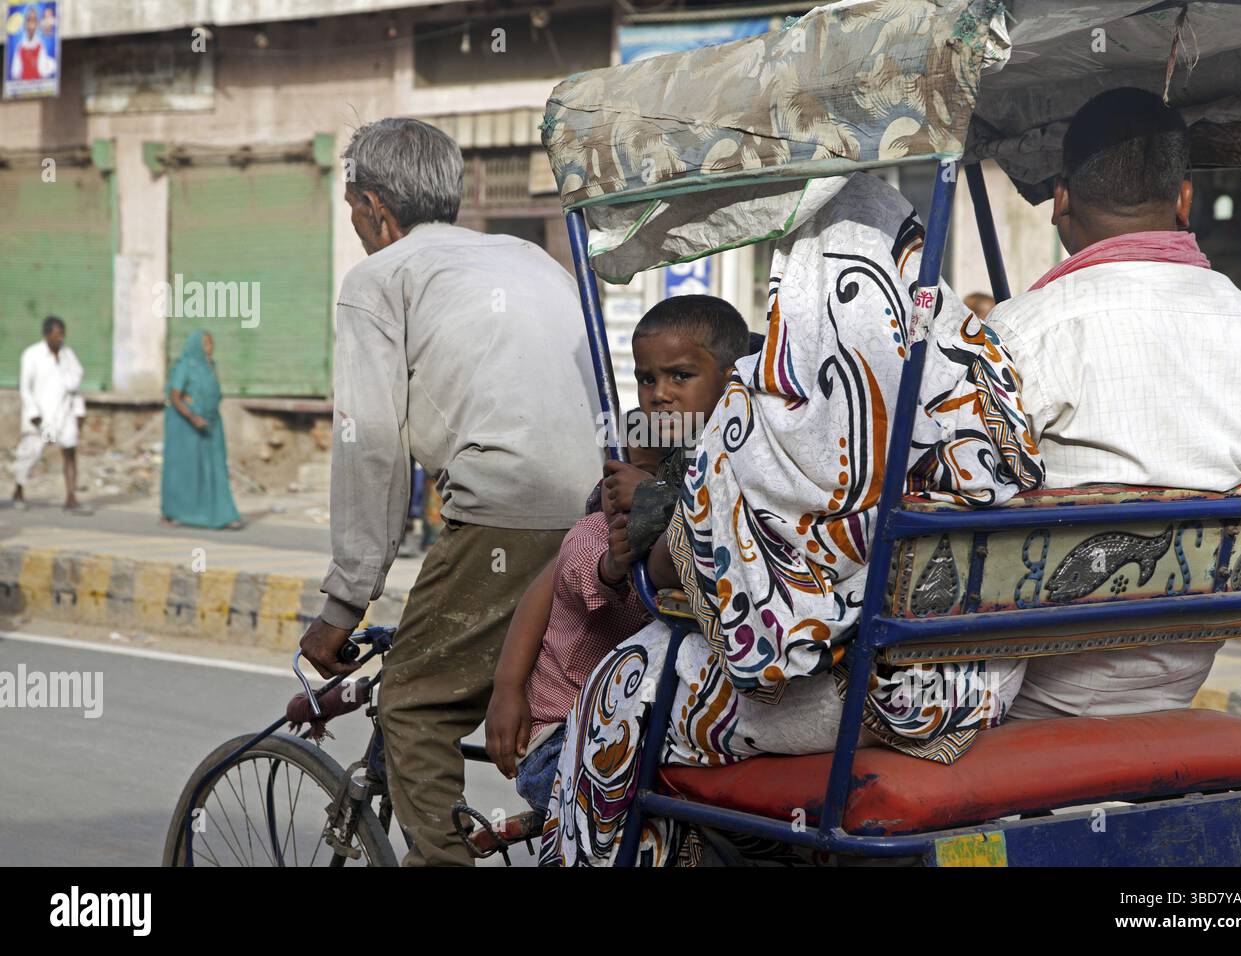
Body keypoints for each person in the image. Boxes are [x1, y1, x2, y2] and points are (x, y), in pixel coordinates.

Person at [540, 172, 1045, 866]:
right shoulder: (970, 377)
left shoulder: (777, 418)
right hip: (979, 683)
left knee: (622, 684)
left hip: (856, 694)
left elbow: (676, 573)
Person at [296, 117, 602, 867]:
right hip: (597, 519)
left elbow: (369, 448)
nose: (357, 226)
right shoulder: (530, 259)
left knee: (413, 702)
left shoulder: (379, 278)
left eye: (350, 210)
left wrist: (343, 603)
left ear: (373, 207)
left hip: (506, 513)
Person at [982, 88, 1241, 720]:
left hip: (1032, 690)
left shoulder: (1019, 333)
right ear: (1184, 199)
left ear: (1061, 199)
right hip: (1186, 669)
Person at [486, 294, 749, 814]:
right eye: (648, 380)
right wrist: (506, 689)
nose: (660, 397)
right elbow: (575, 571)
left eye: (679, 377)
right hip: (567, 737)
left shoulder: (734, 462)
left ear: (730, 381)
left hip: (636, 718)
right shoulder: (601, 527)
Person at [160, 330, 241, 530]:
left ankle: (223, 514)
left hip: (211, 424)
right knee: (184, 470)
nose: (210, 349)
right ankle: (176, 512)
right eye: (206, 344)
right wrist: (192, 417)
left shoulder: (210, 367)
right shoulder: (185, 366)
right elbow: (175, 396)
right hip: (186, 426)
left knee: (215, 468)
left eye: (211, 344)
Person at [11, 316, 88, 514]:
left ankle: (71, 497)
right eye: (56, 335)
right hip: (44, 418)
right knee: (32, 453)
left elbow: (74, 387)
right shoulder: (32, 355)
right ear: (46, 334)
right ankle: (18, 490)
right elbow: (25, 388)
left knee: (69, 450)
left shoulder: (68, 355)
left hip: (65, 415)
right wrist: (33, 413)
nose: (60, 339)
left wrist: (79, 411)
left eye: (62, 334)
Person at [9, 5, 56, 82]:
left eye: (34, 20)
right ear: (25, 24)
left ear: (37, 24)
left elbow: (43, 71)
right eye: (29, 20)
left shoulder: (40, 47)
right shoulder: (20, 48)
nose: (31, 25)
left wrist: (51, 65)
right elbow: (15, 73)